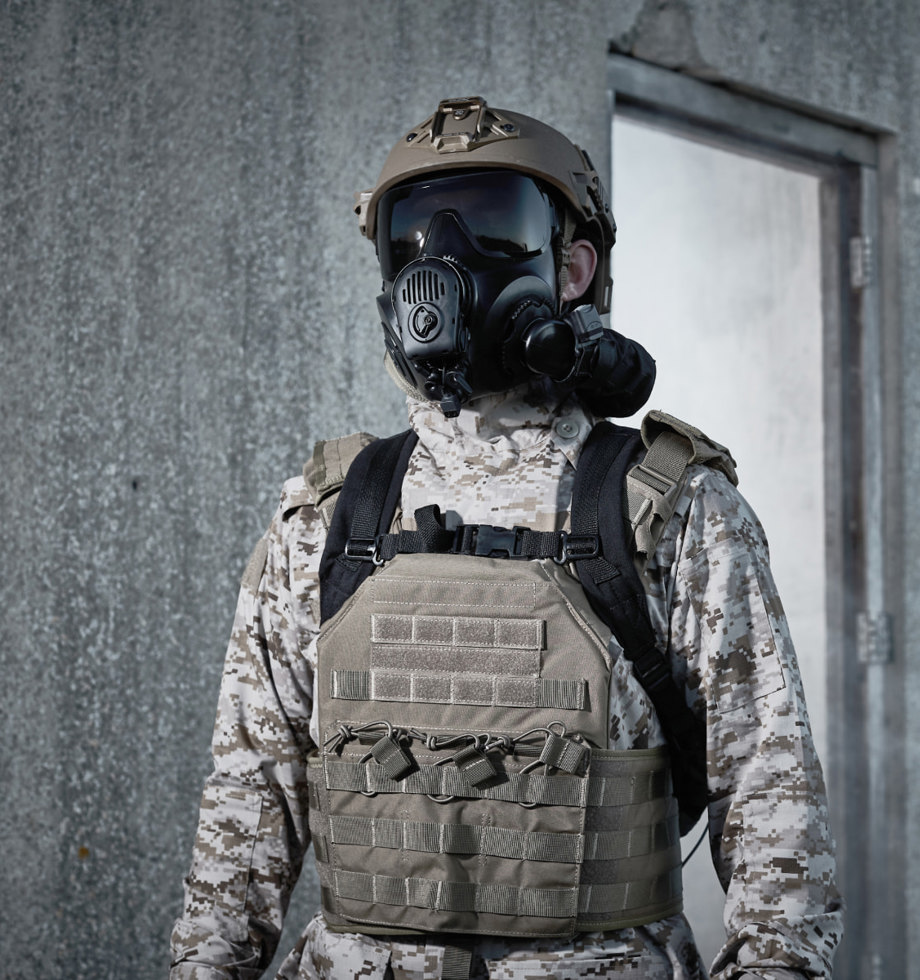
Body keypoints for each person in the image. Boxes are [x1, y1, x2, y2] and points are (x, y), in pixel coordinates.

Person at [170, 97, 843, 980]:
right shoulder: (328, 516)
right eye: (410, 234)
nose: (441, 260)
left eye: (490, 224)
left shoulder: (671, 506)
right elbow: (249, 802)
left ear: (573, 268)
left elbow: (769, 794)